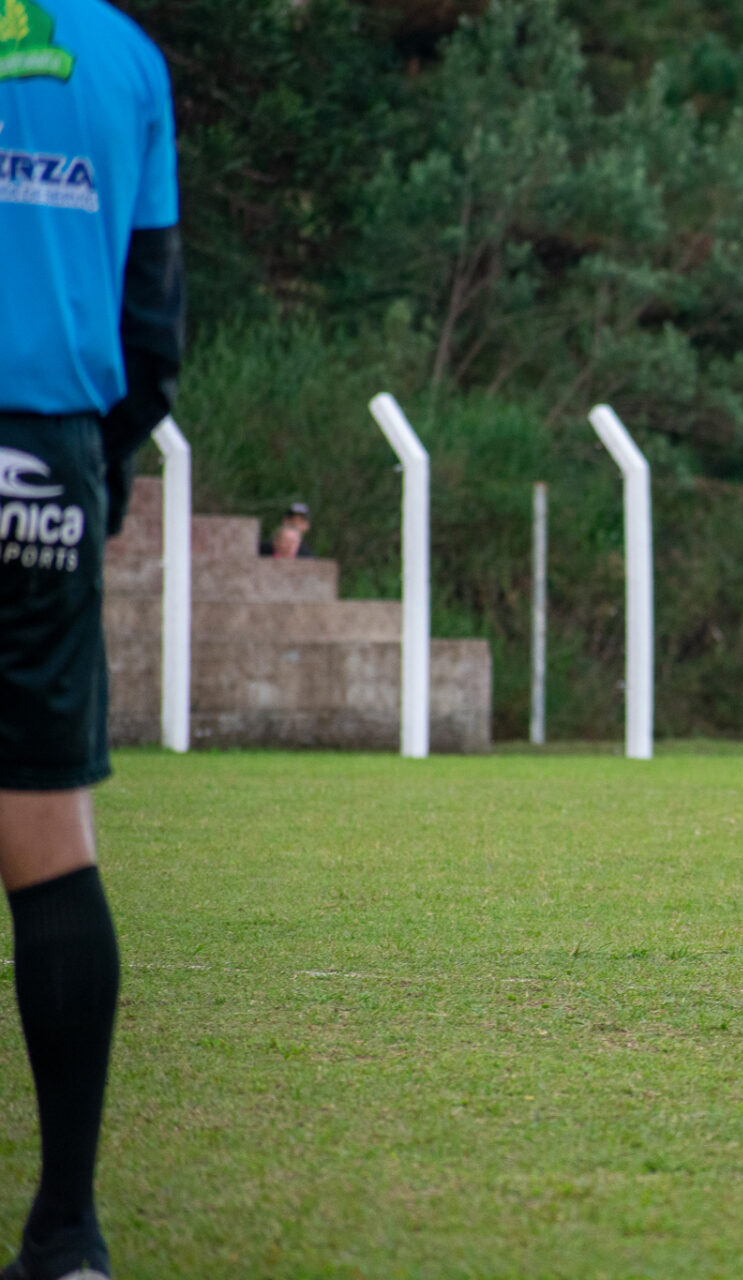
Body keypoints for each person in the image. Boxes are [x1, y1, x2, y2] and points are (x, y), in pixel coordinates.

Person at [0, 2, 184, 1276]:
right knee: (48, 833)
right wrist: (100, 469)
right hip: (43, 453)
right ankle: (67, 1231)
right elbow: (154, 314)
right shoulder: (125, 58)